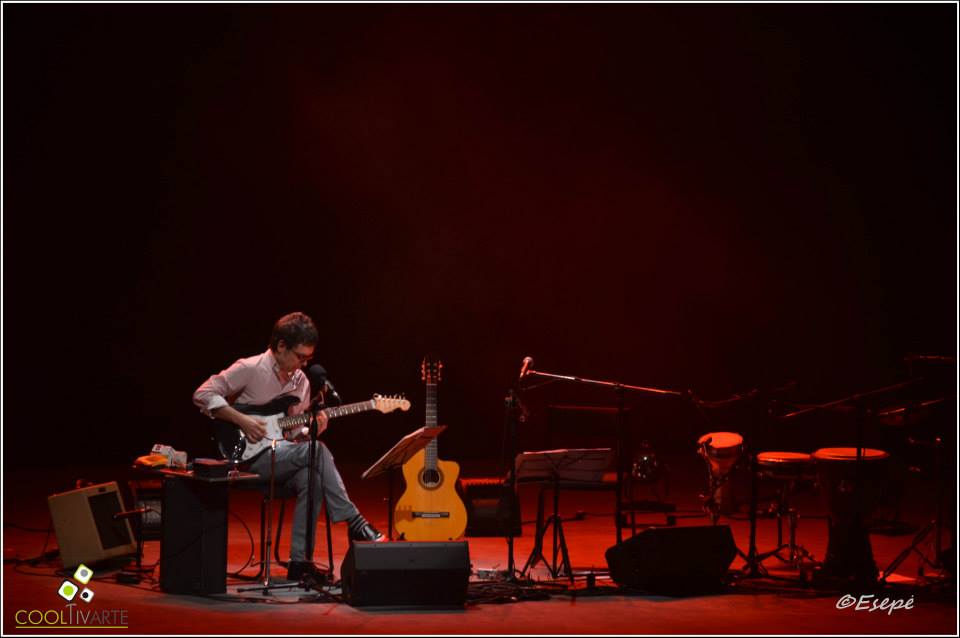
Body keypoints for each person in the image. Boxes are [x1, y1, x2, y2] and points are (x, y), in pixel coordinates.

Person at [193, 311, 384, 584]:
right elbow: (202, 394)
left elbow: (294, 433)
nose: (304, 364)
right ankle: (354, 521)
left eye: (308, 359)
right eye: (300, 357)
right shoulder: (250, 368)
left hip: (281, 454)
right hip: (248, 457)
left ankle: (300, 563)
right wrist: (241, 419)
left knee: (313, 477)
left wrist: (313, 427)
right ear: (281, 346)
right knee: (317, 451)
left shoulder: (301, 382)